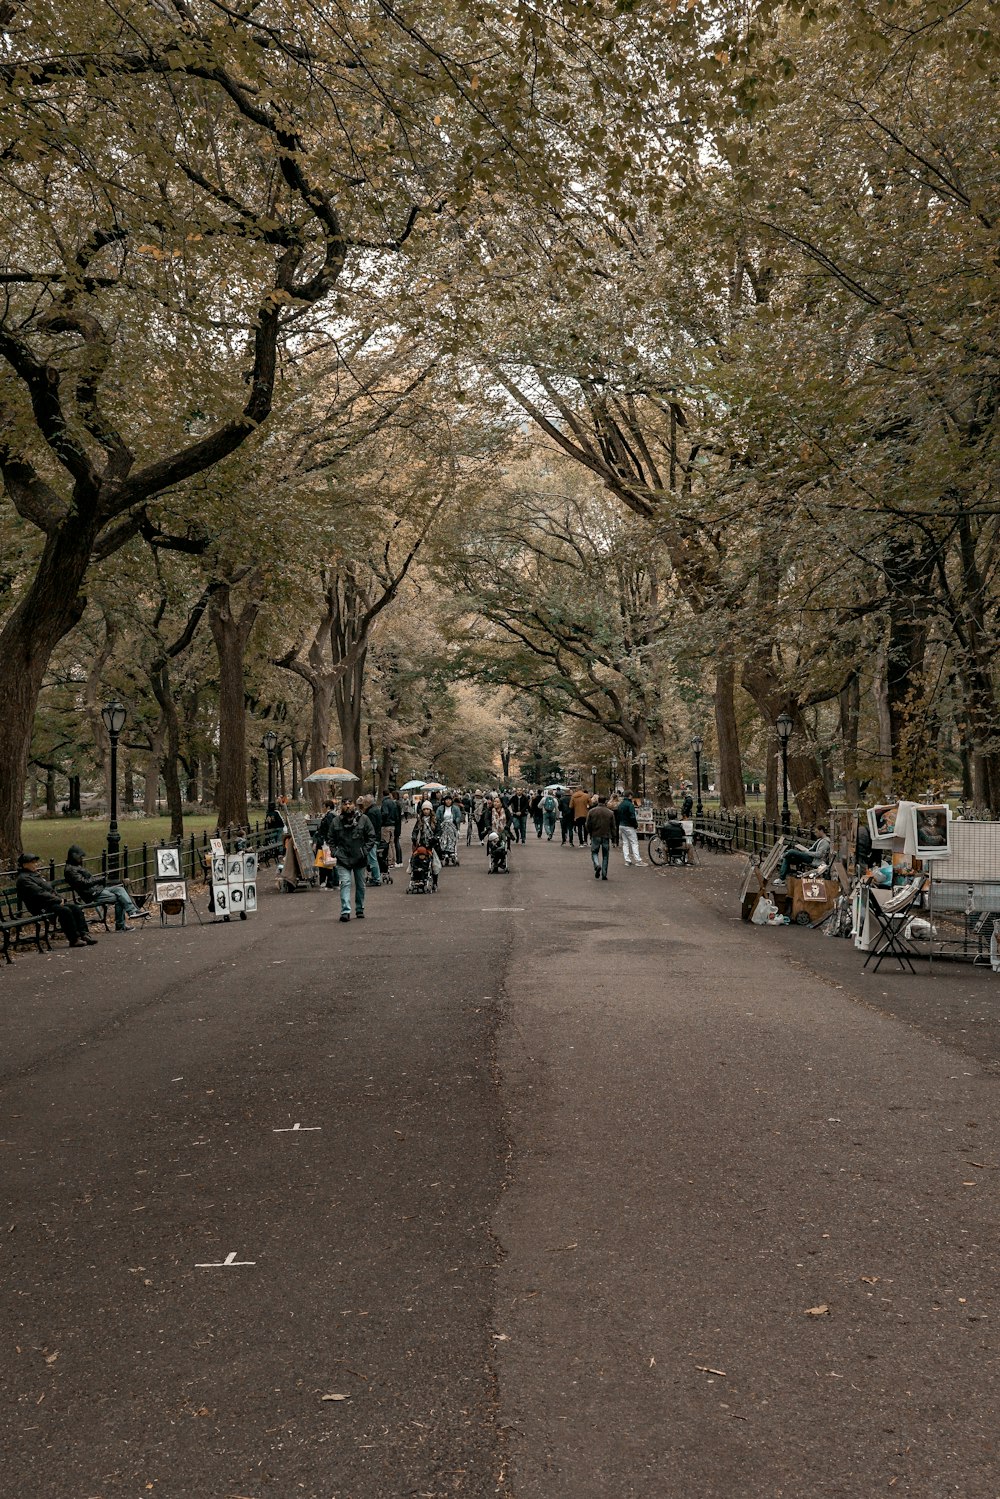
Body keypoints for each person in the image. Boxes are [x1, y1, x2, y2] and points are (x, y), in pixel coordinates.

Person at [15, 853, 97, 947]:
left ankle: (84, 934)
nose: (36, 864)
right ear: (25, 865)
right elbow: (40, 893)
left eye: (35, 862)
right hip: (39, 906)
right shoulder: (24, 879)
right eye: (33, 863)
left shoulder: (34, 875)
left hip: (50, 903)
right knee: (65, 911)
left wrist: (61, 898)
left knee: (75, 908)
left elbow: (50, 890)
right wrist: (58, 900)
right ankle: (74, 939)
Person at [63, 845, 147, 931]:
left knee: (120, 889)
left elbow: (88, 880)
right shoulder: (70, 870)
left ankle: (132, 912)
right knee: (120, 898)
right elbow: (83, 883)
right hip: (91, 894)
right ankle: (122, 923)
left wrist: (99, 880)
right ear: (74, 856)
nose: (82, 859)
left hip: (97, 889)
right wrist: (99, 879)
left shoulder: (76, 867)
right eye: (80, 857)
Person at [325, 798, 376, 921]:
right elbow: (330, 838)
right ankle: (345, 911)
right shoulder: (336, 821)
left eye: (350, 803)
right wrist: (335, 851)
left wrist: (364, 851)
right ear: (341, 806)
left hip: (359, 857)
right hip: (343, 857)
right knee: (345, 883)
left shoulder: (363, 819)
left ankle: (359, 908)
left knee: (360, 885)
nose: (348, 806)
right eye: (345, 804)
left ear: (354, 805)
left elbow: (371, 836)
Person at [411, 800, 443, 890]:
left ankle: (435, 882)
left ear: (430, 810)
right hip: (422, 844)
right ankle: (419, 878)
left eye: (427, 809)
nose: (426, 811)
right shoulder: (420, 820)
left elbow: (439, 831)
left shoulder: (435, 820)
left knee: (434, 864)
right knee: (417, 860)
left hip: (433, 844)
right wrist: (414, 837)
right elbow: (415, 831)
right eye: (424, 809)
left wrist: (436, 837)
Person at [585, 797, 617, 881]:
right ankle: (604, 873)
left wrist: (590, 833)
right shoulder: (610, 813)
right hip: (606, 835)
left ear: (598, 801)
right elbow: (613, 827)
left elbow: (587, 824)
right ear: (605, 801)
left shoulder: (592, 811)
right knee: (606, 855)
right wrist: (614, 838)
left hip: (595, 834)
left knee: (594, 852)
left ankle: (596, 864)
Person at [614, 792, 644, 867]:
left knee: (625, 843)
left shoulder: (620, 805)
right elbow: (632, 816)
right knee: (634, 842)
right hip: (629, 826)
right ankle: (638, 860)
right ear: (630, 796)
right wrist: (635, 825)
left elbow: (617, 816)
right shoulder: (630, 805)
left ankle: (627, 860)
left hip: (621, 825)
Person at [314, 800, 340, 888]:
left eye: (324, 806)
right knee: (330, 862)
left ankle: (331, 881)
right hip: (328, 841)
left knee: (328, 862)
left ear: (328, 807)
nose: (323, 808)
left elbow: (329, 829)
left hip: (326, 842)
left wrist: (326, 840)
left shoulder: (329, 816)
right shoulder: (333, 816)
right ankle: (334, 881)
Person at [381, 788, 403, 866]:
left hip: (386, 825)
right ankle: (394, 860)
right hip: (393, 825)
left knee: (387, 844)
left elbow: (385, 813)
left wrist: (382, 820)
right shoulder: (393, 803)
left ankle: (390, 861)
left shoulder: (385, 802)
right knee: (392, 843)